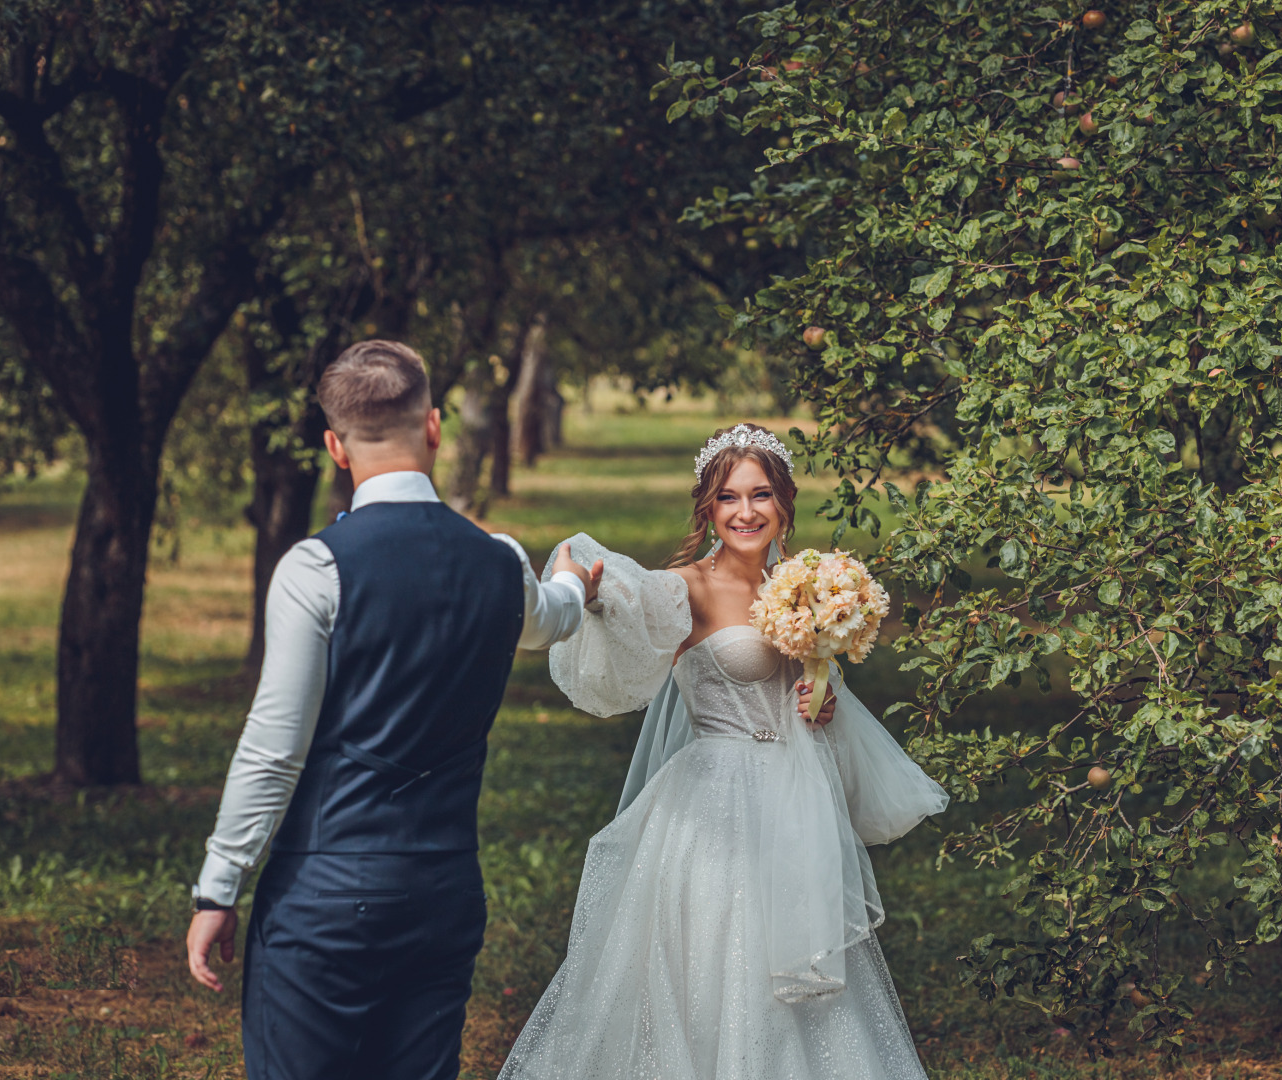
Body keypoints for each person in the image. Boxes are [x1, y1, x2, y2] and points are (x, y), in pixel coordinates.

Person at [184, 339, 600, 1080]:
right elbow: (554, 617)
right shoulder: (502, 564)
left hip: (325, 892)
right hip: (443, 891)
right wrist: (571, 580)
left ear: (334, 448)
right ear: (433, 427)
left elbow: (273, 747)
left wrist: (220, 884)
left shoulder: (315, 569)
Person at [499, 423, 950, 1080]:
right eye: (728, 497)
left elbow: (811, 687)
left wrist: (821, 700)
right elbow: (625, 598)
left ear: (784, 503)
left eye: (760, 495)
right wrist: (590, 591)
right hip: (715, 805)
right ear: (707, 507)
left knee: (797, 964)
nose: (745, 512)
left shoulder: (803, 589)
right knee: (722, 961)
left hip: (795, 802)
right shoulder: (689, 588)